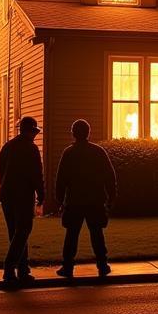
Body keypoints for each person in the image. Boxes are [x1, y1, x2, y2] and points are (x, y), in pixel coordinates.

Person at [55, 119, 117, 279]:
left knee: (72, 235)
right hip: (95, 200)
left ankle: (67, 267)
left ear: (73, 133)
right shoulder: (98, 152)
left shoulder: (69, 153)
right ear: (88, 132)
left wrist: (60, 200)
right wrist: (111, 196)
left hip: (75, 201)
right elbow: (110, 175)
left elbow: (61, 179)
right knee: (97, 234)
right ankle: (102, 265)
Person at [0, 115, 45, 288]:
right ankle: (10, 270)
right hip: (23, 196)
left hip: (6, 196)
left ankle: (23, 270)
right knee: (23, 231)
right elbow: (36, 174)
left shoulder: (7, 147)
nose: (35, 135)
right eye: (34, 132)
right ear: (30, 131)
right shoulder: (31, 149)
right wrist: (41, 194)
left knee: (15, 233)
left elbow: (1, 172)